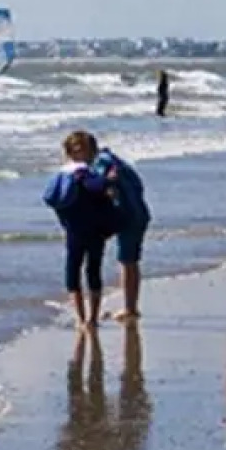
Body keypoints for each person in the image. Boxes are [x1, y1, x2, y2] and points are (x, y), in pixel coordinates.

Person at [44, 134, 122, 329]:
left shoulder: (61, 175)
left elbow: (49, 198)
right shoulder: (83, 173)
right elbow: (97, 186)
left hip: (72, 228)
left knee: (73, 271)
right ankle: (91, 319)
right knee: (92, 271)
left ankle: (81, 318)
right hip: (94, 230)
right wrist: (110, 179)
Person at [80, 131, 151, 323]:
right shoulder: (112, 159)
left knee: (127, 260)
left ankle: (130, 308)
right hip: (138, 211)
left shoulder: (101, 163)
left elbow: (102, 183)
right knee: (130, 260)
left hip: (128, 215)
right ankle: (131, 306)